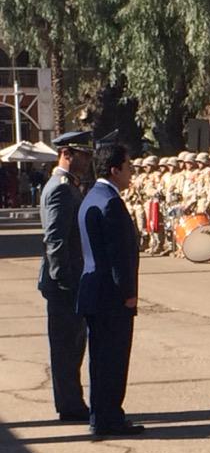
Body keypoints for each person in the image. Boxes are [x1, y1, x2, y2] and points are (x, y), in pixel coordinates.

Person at [76, 143, 144, 436]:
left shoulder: (92, 196)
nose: (131, 173)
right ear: (115, 170)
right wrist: (129, 292)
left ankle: (101, 416)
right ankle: (110, 418)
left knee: (101, 361)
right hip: (111, 296)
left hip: (94, 292)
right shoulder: (110, 202)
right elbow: (119, 255)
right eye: (128, 167)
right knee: (113, 361)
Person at [38, 131, 94, 423]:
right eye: (83, 155)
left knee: (72, 346)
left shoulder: (68, 185)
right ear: (67, 154)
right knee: (65, 347)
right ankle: (70, 405)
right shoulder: (60, 188)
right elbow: (55, 239)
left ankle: (72, 401)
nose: (87, 161)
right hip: (64, 282)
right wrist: (65, 281)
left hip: (68, 278)